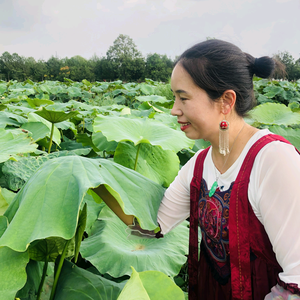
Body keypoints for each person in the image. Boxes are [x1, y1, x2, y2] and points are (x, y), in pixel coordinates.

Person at [93, 39, 300, 300]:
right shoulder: (200, 164)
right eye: (174, 97)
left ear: (226, 101)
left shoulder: (273, 160)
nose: (173, 109)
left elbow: (297, 280)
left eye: (183, 98)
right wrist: (95, 179)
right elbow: (152, 226)